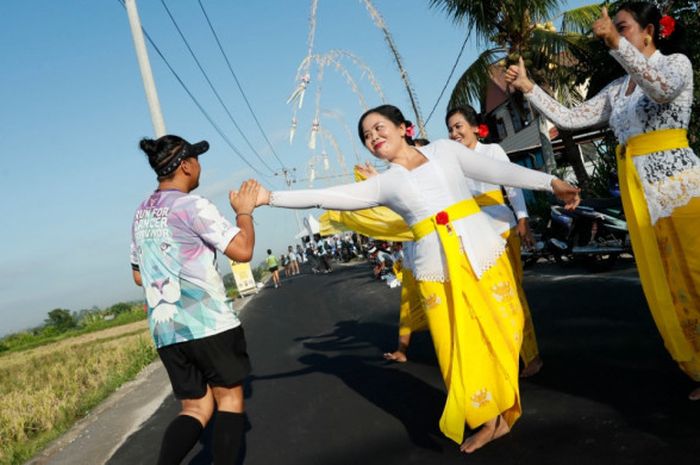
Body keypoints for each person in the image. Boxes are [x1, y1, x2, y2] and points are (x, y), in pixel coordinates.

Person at [254, 105, 580, 452]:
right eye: (367, 136)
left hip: (481, 252)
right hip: (434, 269)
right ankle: (487, 419)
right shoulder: (385, 183)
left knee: (506, 323)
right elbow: (323, 197)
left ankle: (503, 396)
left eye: (379, 128)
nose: (373, 137)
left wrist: (550, 182)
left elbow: (499, 170)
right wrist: (269, 197)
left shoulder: (444, 150)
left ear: (402, 128)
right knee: (453, 345)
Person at [505, 2, 700, 400]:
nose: (615, 33)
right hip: (639, 190)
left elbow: (660, 91)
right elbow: (571, 117)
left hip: (679, 185)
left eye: (623, 27)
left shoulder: (675, 63)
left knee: (696, 270)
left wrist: (616, 45)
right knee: (668, 279)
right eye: (614, 29)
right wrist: (529, 87)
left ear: (649, 31)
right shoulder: (617, 89)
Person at [130, 134, 259, 465]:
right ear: (186, 165)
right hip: (210, 323)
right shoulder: (193, 205)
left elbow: (139, 275)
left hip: (167, 330)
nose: (201, 166)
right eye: (197, 159)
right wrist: (244, 212)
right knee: (229, 399)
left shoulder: (141, 213)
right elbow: (242, 251)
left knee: (195, 407)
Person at [446, 105, 543, 378]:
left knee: (512, 295)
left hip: (501, 229)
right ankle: (506, 355)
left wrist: (522, 220)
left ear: (475, 127)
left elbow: (512, 185)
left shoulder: (492, 152)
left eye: (459, 126)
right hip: (473, 235)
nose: (454, 133)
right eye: (450, 129)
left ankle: (531, 355)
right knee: (489, 300)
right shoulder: (452, 164)